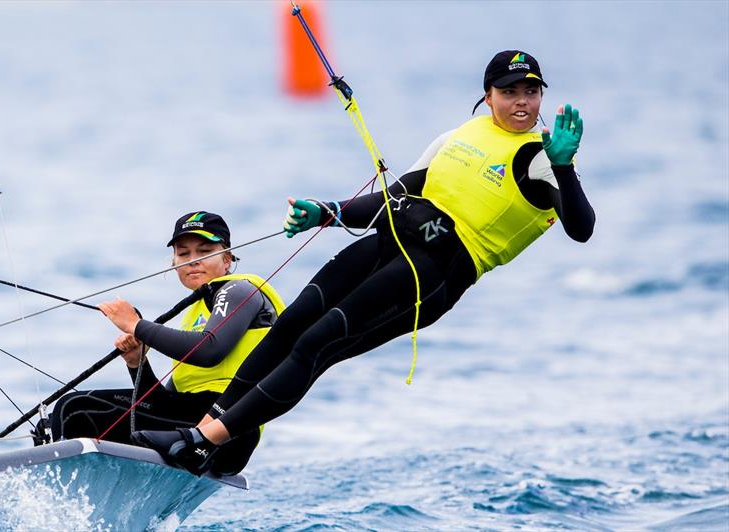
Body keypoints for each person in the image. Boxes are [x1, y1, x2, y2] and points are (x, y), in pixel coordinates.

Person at [130, 50, 596, 475]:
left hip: (436, 270)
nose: (521, 102)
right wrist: (327, 213)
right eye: (509, 91)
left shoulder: (540, 158)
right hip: (391, 240)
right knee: (291, 324)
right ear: (487, 96)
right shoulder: (459, 137)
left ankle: (200, 442)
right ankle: (206, 425)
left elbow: (582, 228)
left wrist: (565, 167)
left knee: (318, 342)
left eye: (531, 92)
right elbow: (397, 196)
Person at [50, 211, 286, 476]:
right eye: (184, 254)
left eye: (205, 251)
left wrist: (136, 325)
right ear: (174, 262)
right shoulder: (195, 315)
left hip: (226, 430)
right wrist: (138, 364)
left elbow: (209, 350)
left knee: (74, 410)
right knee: (60, 417)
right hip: (194, 420)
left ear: (227, 259)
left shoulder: (240, 290)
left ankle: (59, 500)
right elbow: (161, 404)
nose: (193, 261)